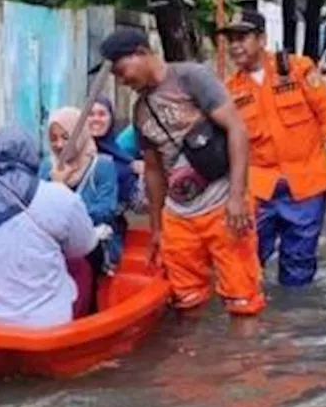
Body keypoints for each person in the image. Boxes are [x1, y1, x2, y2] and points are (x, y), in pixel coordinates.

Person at [98, 27, 265, 316]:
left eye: (122, 71)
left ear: (141, 53)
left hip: (222, 204)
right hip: (179, 216)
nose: (122, 80)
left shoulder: (191, 78)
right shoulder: (140, 111)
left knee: (243, 301)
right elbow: (152, 170)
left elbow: (237, 129)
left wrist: (237, 197)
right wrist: (157, 228)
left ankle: (245, 358)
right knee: (185, 301)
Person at [220, 12, 326, 287]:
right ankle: (253, 320)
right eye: (230, 39)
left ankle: (296, 324)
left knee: (299, 264)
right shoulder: (229, 91)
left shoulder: (298, 70)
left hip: (306, 184)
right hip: (258, 189)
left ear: (262, 39)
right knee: (246, 260)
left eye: (242, 38)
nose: (235, 46)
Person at [0, 125, 99, 325]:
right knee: (81, 266)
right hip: (43, 323)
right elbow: (83, 246)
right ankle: (82, 329)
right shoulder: (59, 196)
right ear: (33, 158)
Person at [42, 105, 123, 269]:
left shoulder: (102, 165)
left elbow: (106, 210)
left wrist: (64, 200)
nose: (59, 145)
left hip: (93, 242)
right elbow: (38, 209)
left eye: (66, 137)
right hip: (55, 241)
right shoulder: (47, 167)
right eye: (53, 139)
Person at [86, 97, 144, 212]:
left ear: (111, 119)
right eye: (90, 114)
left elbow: (137, 204)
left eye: (102, 114)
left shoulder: (122, 157)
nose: (96, 119)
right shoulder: (73, 153)